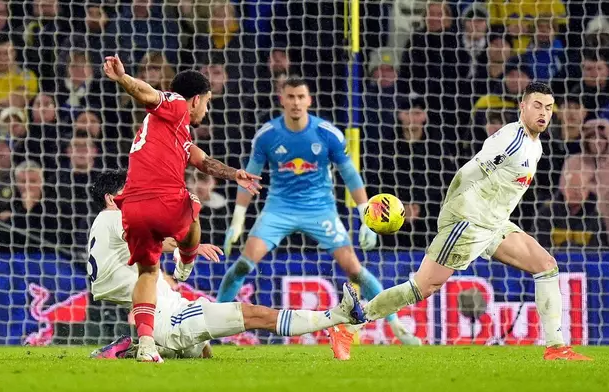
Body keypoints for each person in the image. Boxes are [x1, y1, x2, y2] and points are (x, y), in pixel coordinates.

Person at [327, 82, 592, 361]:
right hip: (468, 222)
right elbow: (467, 173)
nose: (543, 113)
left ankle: (556, 348)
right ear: (522, 106)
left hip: (494, 224)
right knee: (421, 287)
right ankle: (347, 326)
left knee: (546, 266)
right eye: (537, 105)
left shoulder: (534, 144)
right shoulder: (511, 141)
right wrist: (452, 214)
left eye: (548, 108)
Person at [220, 77, 420, 349]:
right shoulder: (267, 135)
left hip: (320, 210)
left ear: (309, 100)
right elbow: (249, 178)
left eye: (301, 97)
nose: (296, 103)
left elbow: (350, 175)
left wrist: (365, 216)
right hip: (280, 208)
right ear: (282, 99)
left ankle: (397, 327)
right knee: (243, 265)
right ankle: (212, 326)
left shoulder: (327, 133)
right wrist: (238, 220)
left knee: (354, 269)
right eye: (290, 97)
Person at [87, 170, 366, 360]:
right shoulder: (112, 218)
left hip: (173, 309)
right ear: (111, 198)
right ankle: (338, 316)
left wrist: (184, 247)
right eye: (129, 191)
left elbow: (147, 245)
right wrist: (188, 242)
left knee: (203, 354)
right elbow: (156, 236)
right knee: (256, 315)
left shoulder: (105, 227)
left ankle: (131, 348)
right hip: (168, 319)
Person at [102, 55, 261, 362]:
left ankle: (146, 345)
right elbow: (148, 93)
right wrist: (123, 78)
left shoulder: (174, 130)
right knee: (194, 206)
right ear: (196, 99)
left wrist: (234, 173)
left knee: (148, 273)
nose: (207, 109)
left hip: (132, 208)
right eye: (208, 102)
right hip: (162, 200)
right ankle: (185, 259)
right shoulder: (176, 106)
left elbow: (203, 161)